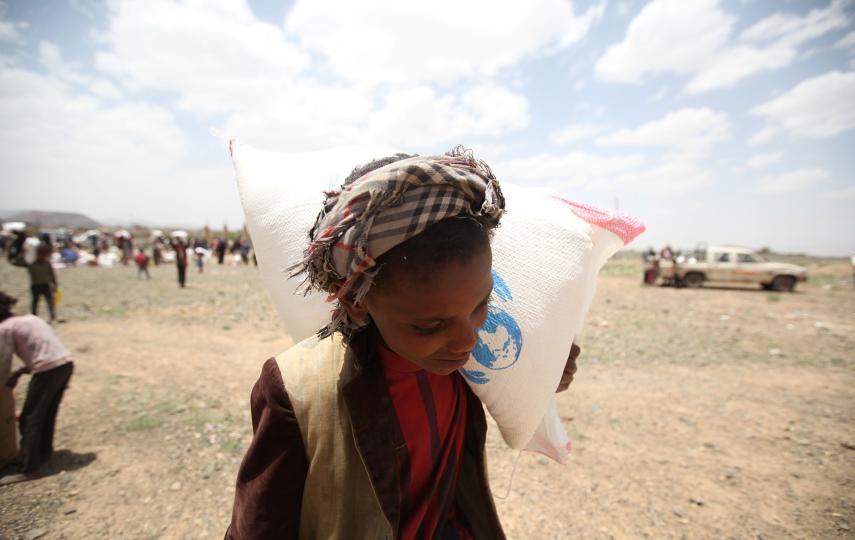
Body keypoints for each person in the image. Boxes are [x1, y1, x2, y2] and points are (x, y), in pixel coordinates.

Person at [226, 148, 581, 539]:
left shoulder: (475, 364)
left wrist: (548, 366)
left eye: (482, 305)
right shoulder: (296, 389)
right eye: (431, 325)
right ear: (356, 305)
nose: (467, 339)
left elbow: (521, 381)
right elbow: (258, 528)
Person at [0, 292, 74, 485]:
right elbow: (44, 345)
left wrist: (4, 384)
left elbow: (3, 361)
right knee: (47, 412)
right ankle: (43, 452)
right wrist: (20, 371)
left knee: (30, 419)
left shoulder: (5, 328)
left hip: (47, 370)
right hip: (64, 363)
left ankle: (28, 467)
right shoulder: (28, 317)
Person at [13, 244, 58, 323]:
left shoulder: (47, 264)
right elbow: (16, 262)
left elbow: (52, 275)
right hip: (35, 286)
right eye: (41, 254)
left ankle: (52, 317)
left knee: (50, 302)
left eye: (44, 255)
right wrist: (23, 253)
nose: (43, 256)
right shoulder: (31, 264)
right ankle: (34, 317)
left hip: (46, 285)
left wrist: (55, 285)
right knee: (35, 302)